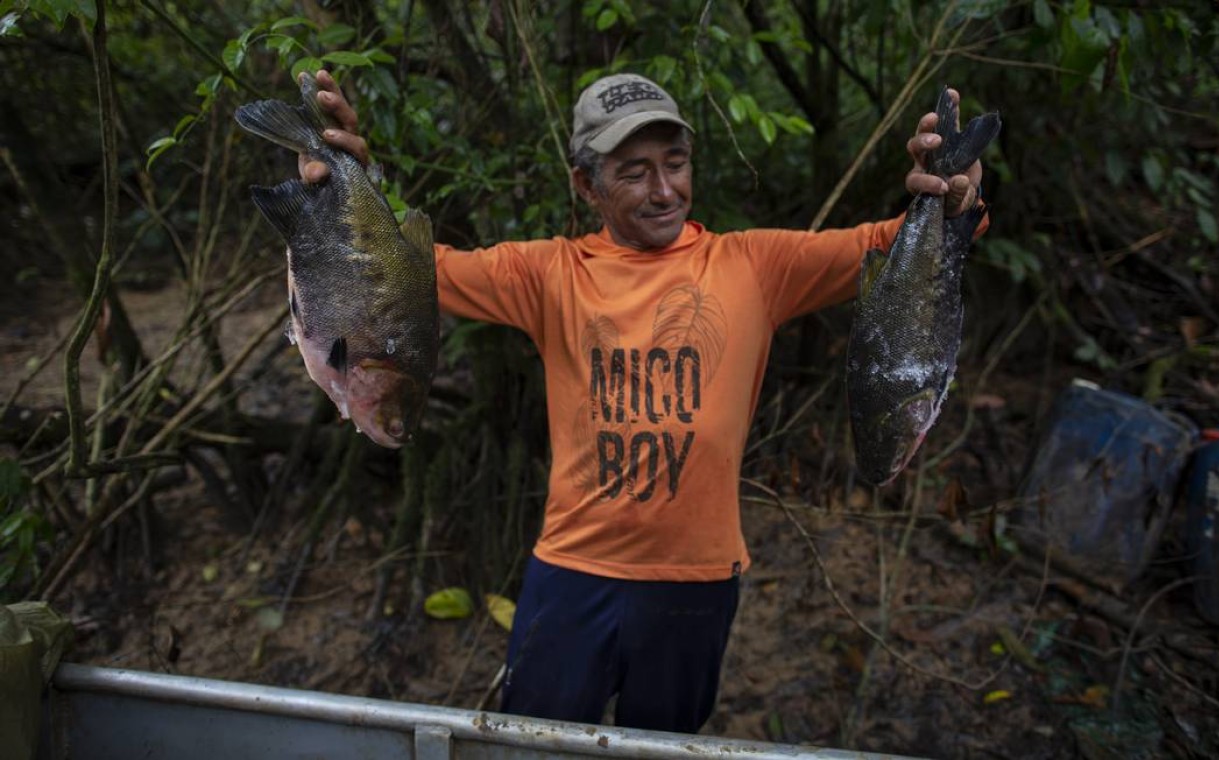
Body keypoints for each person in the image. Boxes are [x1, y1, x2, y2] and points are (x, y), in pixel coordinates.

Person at [300, 70, 986, 733]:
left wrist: (951, 200)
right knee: (532, 743)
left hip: (697, 578)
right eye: (632, 172)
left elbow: (898, 248)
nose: (663, 191)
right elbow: (394, 269)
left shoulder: (754, 265)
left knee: (664, 744)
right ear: (585, 184)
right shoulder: (548, 273)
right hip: (572, 572)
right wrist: (344, 183)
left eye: (676, 163)